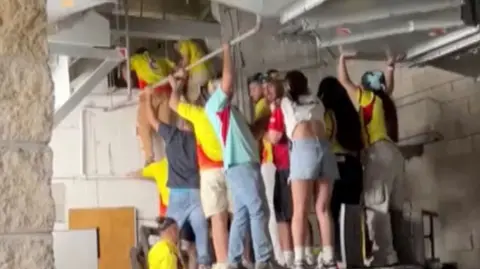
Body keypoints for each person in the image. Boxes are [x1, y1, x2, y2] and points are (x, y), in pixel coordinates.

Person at [203, 43, 281, 269]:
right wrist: (226, 50)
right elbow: (227, 81)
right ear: (213, 89)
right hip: (242, 166)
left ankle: (233, 261)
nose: (226, 86)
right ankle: (264, 260)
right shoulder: (215, 106)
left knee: (243, 215)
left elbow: (254, 132)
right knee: (258, 210)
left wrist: (268, 105)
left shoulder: (231, 112)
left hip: (243, 166)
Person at [337, 50, 404, 266]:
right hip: (394, 153)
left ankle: (383, 254)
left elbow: (343, 81)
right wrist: (390, 66)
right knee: (394, 207)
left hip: (378, 153)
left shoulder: (367, 98)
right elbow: (389, 86)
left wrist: (342, 59)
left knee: (376, 206)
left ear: (365, 87)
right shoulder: (384, 100)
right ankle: (396, 252)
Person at [143, 76, 212, 269]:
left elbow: (151, 119)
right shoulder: (199, 138)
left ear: (180, 124)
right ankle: (205, 264)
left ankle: (162, 263)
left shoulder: (172, 135)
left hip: (178, 195)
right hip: (196, 192)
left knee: (167, 237)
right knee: (201, 232)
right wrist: (177, 88)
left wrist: (148, 96)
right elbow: (184, 110)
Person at [167, 70, 232, 269]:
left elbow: (175, 104)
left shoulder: (200, 116)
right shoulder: (228, 114)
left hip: (210, 172)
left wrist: (175, 86)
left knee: (217, 219)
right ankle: (239, 259)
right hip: (232, 167)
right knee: (236, 218)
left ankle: (222, 263)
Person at [280, 70, 339, 269]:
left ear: (288, 86)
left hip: (303, 149)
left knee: (300, 210)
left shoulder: (286, 103)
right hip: (324, 149)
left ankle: (299, 259)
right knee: (323, 209)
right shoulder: (317, 102)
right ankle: (329, 257)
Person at [317, 76, 364, 264]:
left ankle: (336, 258)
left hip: (336, 166)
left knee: (333, 214)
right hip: (354, 166)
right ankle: (354, 257)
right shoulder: (353, 114)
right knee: (352, 216)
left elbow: (324, 139)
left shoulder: (328, 114)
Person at [127, 160, 198, 269]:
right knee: (192, 250)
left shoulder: (156, 249)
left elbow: (140, 172)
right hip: (182, 212)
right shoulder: (168, 253)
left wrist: (131, 173)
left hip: (170, 213)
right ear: (172, 231)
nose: (177, 235)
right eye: (176, 231)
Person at [124, 47, 177, 166]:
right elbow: (177, 69)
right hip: (166, 94)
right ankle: (172, 156)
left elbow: (125, 68)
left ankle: (149, 158)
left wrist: (129, 84)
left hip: (150, 92)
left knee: (144, 126)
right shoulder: (161, 60)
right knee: (165, 128)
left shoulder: (136, 59)